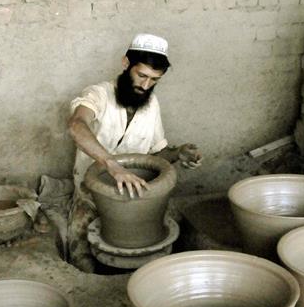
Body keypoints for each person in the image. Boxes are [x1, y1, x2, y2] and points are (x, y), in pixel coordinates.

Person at [66, 33, 202, 272]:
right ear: (125, 64)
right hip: (92, 195)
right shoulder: (99, 94)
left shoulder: (151, 104)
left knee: (158, 255)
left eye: (154, 80)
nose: (145, 85)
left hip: (135, 199)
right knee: (81, 260)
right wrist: (113, 166)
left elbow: (156, 156)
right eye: (142, 75)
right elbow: (76, 126)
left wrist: (178, 154)